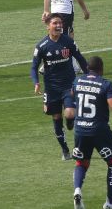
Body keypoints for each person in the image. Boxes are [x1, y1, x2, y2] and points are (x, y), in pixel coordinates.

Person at [72, 56, 112, 209]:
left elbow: (71, 100)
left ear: (87, 68)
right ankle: (110, 203)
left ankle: (77, 190)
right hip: (99, 130)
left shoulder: (77, 81)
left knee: (82, 162)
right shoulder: (105, 84)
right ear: (101, 69)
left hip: (80, 129)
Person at [31, 13, 89, 160]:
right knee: (56, 117)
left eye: (60, 23)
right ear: (48, 26)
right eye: (55, 23)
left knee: (69, 113)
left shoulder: (68, 42)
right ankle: (65, 150)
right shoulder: (42, 46)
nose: (58, 26)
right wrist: (36, 82)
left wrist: (89, 75)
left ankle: (70, 122)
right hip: (51, 88)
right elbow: (34, 67)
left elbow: (80, 58)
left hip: (69, 85)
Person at [42, 0, 90, 74]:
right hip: (65, 10)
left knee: (69, 34)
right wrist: (85, 10)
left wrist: (46, 10)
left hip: (55, 9)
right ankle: (47, 63)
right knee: (63, 40)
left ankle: (74, 65)